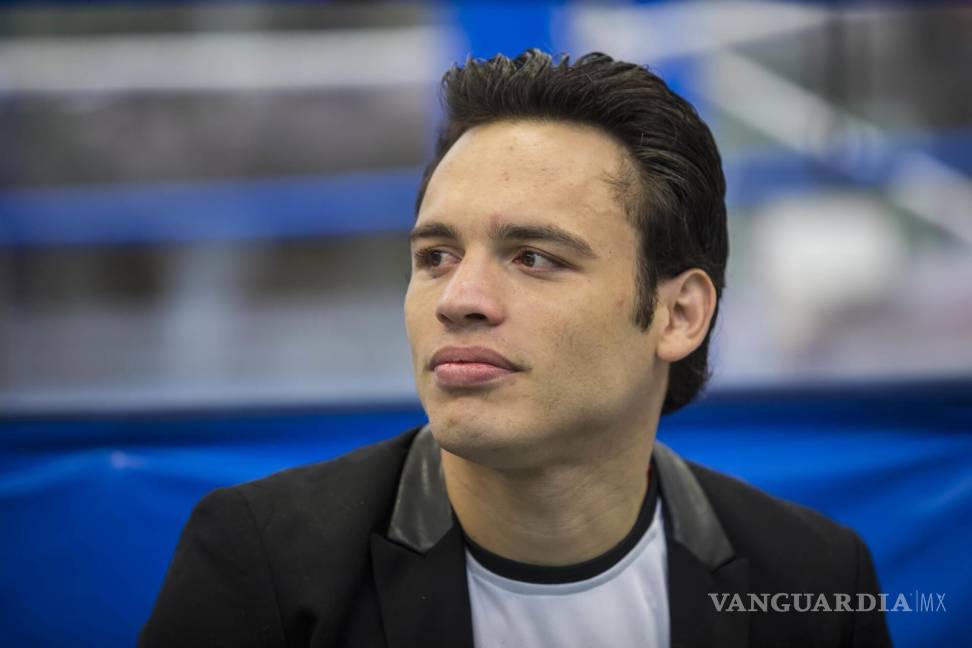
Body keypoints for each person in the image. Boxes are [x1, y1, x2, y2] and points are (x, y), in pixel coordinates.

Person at [140, 50, 892, 647]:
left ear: (679, 315)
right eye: (435, 256)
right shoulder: (265, 565)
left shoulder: (816, 580)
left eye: (533, 257)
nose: (458, 298)